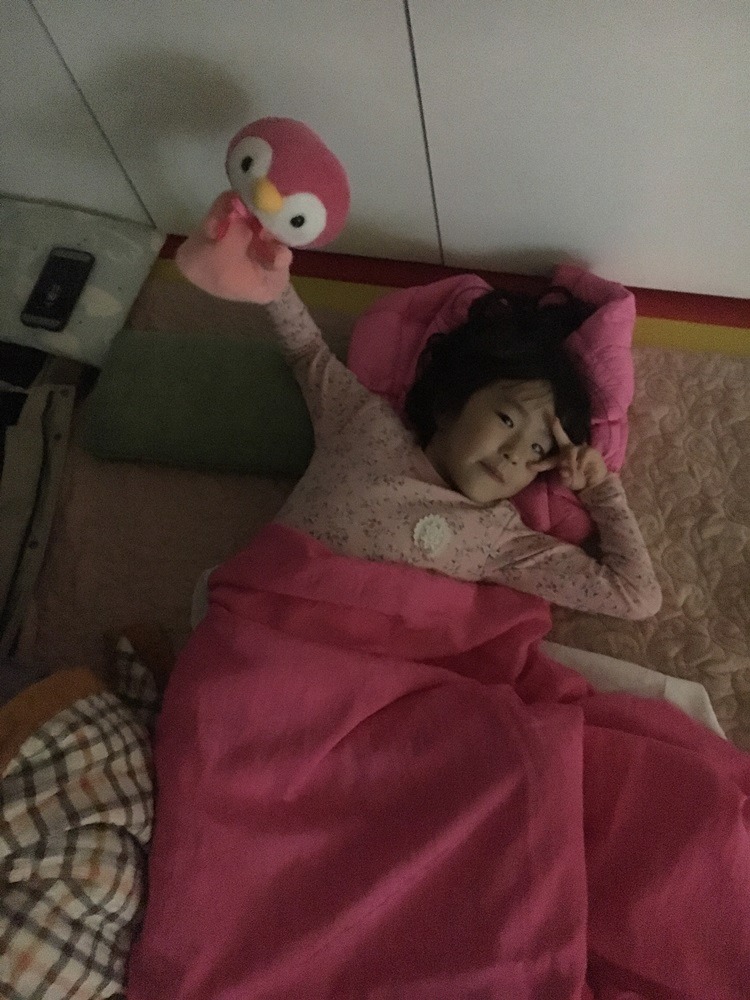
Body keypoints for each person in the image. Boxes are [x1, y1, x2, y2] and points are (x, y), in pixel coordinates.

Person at [257, 277, 661, 621]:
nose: (515, 453)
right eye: (507, 420)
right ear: (450, 404)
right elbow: (306, 350)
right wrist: (267, 277)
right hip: (262, 611)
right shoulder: (363, 424)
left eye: (539, 448)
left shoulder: (498, 538)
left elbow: (635, 596)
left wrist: (599, 489)